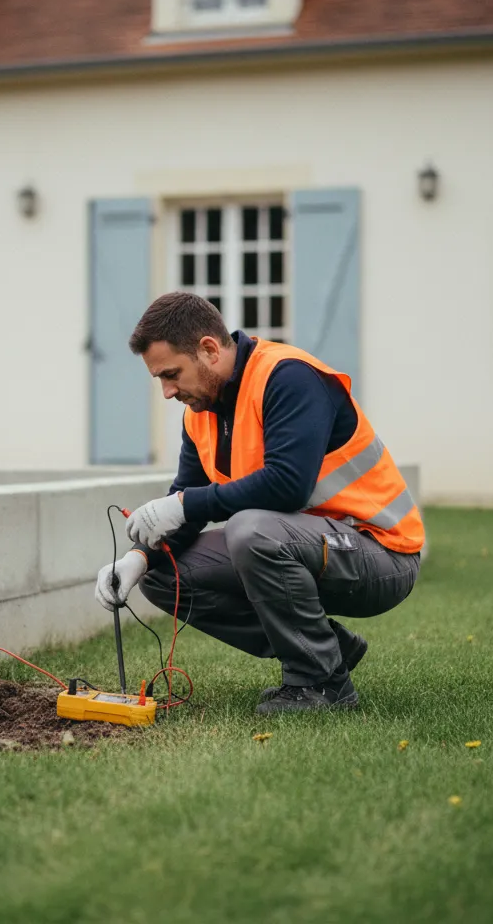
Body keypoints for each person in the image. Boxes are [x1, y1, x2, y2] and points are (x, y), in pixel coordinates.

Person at [94, 292, 424, 714]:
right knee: (163, 573)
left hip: (381, 554)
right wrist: (139, 558)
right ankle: (327, 652)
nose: (167, 391)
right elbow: (186, 505)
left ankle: (322, 683)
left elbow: (287, 486)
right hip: (306, 548)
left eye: (171, 374)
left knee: (250, 530)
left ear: (209, 350)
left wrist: (184, 505)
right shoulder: (200, 412)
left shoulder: (289, 378)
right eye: (159, 379)